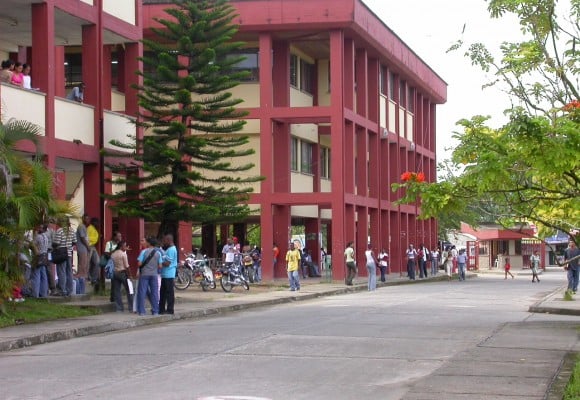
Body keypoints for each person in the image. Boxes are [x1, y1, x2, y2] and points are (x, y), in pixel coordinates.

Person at [136, 237, 162, 316]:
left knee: (142, 292)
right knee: (154, 293)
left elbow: (139, 264)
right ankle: (155, 311)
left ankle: (142, 311)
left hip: (144, 274)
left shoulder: (144, 252)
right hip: (154, 274)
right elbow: (160, 266)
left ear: (149, 243)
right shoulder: (158, 253)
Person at [53, 217, 76, 297]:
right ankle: (69, 290)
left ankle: (62, 290)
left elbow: (56, 243)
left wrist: (54, 245)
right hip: (69, 254)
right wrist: (68, 246)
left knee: (61, 272)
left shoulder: (60, 231)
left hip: (61, 254)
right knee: (69, 272)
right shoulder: (72, 230)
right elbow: (74, 241)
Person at [110, 241, 132, 312]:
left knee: (117, 291)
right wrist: (130, 275)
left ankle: (119, 308)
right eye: (125, 246)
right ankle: (131, 307)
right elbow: (127, 266)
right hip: (123, 273)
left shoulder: (113, 254)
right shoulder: (123, 254)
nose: (126, 247)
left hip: (115, 273)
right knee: (129, 290)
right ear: (121, 246)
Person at [159, 234, 177, 315]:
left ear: (169, 240)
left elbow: (168, 263)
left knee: (169, 293)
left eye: (165, 240)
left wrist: (159, 263)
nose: (164, 242)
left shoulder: (171, 250)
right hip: (165, 274)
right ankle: (162, 309)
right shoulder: (168, 249)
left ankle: (170, 309)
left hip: (169, 273)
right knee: (163, 292)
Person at [31, 224, 50, 298]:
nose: (38, 229)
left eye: (40, 228)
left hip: (38, 256)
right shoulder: (46, 237)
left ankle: (35, 294)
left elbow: (32, 245)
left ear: (43, 229)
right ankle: (43, 293)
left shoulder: (38, 237)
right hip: (44, 256)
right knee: (44, 275)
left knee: (36, 274)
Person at [104, 231, 123, 302]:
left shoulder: (121, 244)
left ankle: (117, 297)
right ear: (114, 237)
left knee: (119, 283)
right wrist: (116, 251)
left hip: (121, 265)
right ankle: (113, 298)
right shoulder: (109, 244)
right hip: (113, 265)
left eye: (120, 236)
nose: (120, 238)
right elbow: (106, 253)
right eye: (118, 236)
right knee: (114, 282)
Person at [75, 214, 91, 294]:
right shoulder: (81, 227)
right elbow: (82, 238)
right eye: (86, 219)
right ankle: (80, 289)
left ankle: (83, 286)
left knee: (85, 266)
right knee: (82, 266)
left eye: (89, 219)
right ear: (83, 219)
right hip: (82, 249)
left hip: (85, 249)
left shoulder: (85, 227)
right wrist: (88, 246)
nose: (88, 220)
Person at [87, 217, 101, 289]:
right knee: (88, 262)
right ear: (94, 222)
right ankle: (88, 277)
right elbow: (87, 238)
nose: (98, 224)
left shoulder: (94, 229)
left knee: (97, 262)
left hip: (93, 246)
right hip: (89, 246)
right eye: (97, 222)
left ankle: (94, 278)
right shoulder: (90, 228)